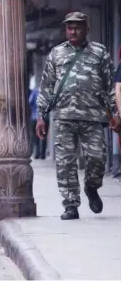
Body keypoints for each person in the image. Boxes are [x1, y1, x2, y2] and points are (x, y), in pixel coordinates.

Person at [36, 12, 118, 220]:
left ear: (86, 30)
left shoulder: (100, 52)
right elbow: (46, 87)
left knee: (97, 158)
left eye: (78, 27)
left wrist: (115, 114)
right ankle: (70, 204)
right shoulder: (56, 54)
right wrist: (41, 116)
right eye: (70, 27)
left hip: (93, 116)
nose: (73, 31)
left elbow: (110, 86)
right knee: (65, 163)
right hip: (64, 116)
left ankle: (92, 187)